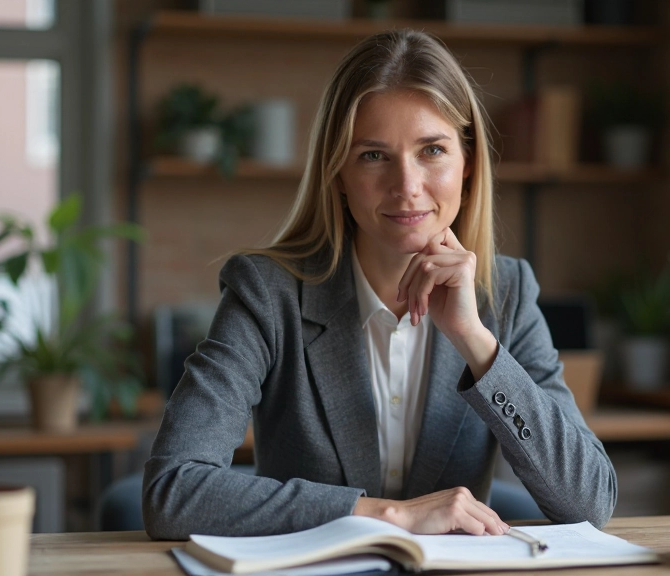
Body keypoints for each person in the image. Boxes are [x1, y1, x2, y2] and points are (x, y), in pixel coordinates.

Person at [142, 29, 616, 540]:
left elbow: (591, 502)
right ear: (338, 172)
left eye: (432, 150)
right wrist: (389, 515)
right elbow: (174, 490)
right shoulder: (267, 292)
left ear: (469, 164)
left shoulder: (506, 292)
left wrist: (476, 342)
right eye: (372, 155)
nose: (407, 186)